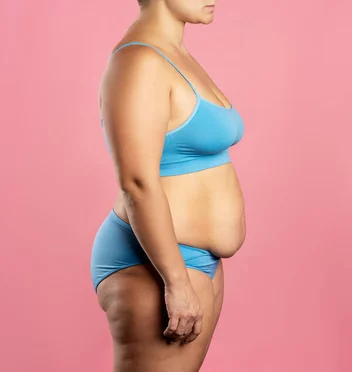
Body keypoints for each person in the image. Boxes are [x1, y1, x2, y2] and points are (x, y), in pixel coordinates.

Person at [90, 0, 245, 370]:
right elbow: (137, 181)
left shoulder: (174, 53)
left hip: (190, 262)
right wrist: (175, 281)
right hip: (156, 264)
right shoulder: (139, 61)